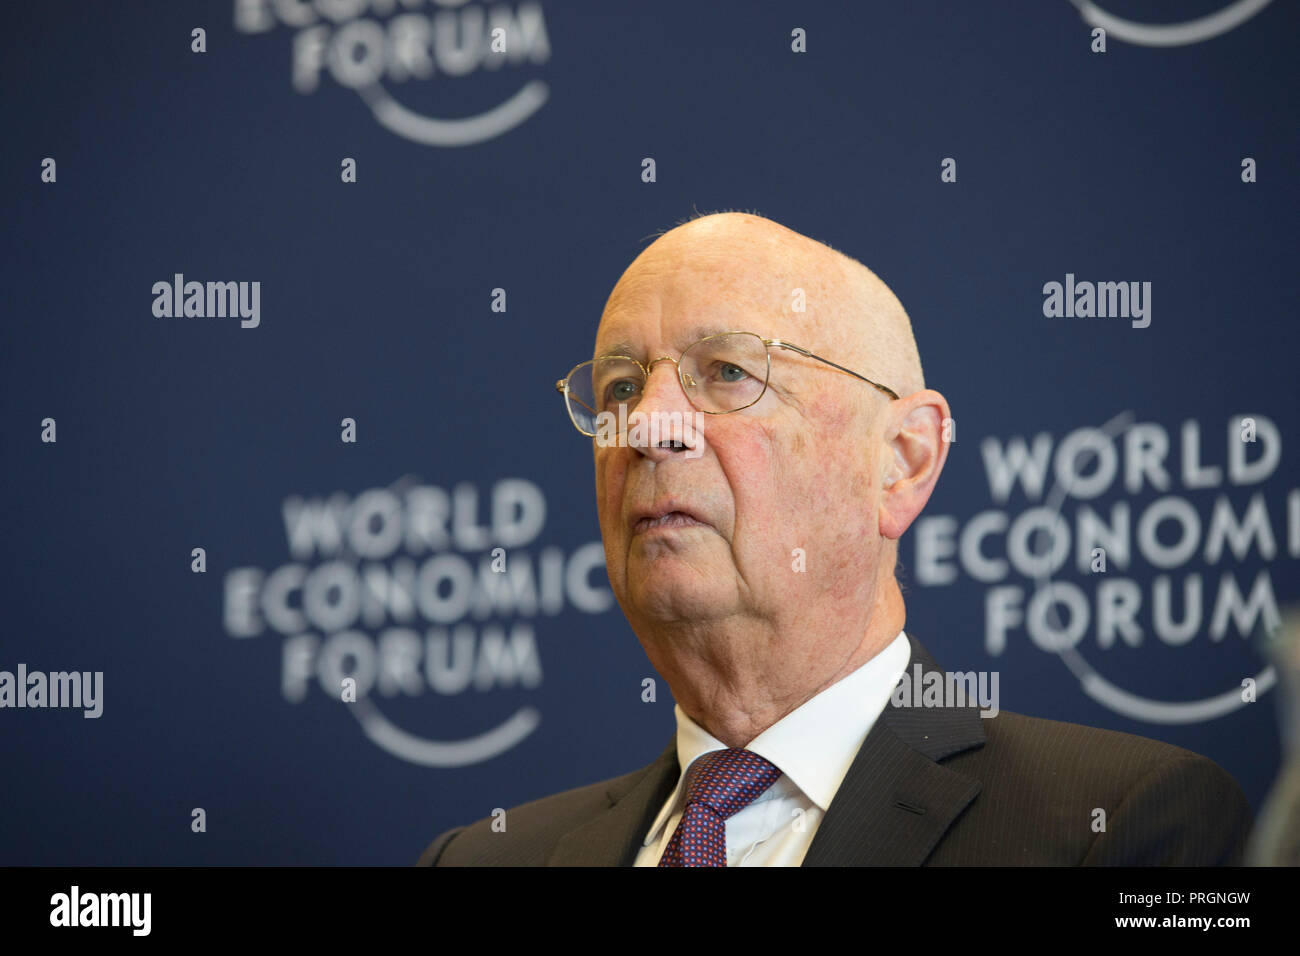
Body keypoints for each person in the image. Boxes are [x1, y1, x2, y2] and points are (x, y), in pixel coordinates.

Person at [417, 212, 1253, 866]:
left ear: (901, 460)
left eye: (729, 373)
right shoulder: (481, 860)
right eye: (622, 385)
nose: (648, 425)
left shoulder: (1132, 825)